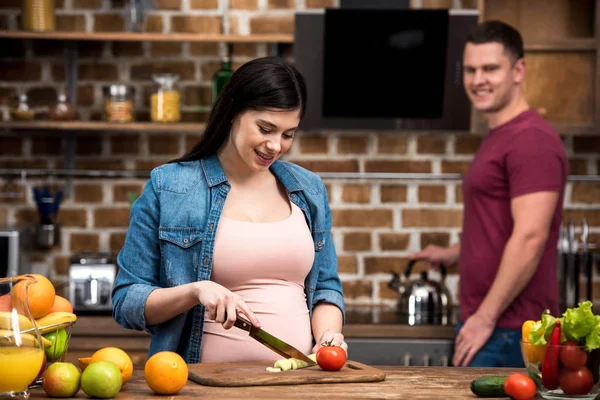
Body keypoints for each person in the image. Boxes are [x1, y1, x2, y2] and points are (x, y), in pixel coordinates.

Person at [112, 56, 347, 364]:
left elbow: (326, 289)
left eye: (288, 134)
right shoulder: (170, 187)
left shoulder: (309, 190)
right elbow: (126, 301)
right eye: (266, 128)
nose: (275, 145)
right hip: (201, 386)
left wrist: (329, 335)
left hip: (297, 383)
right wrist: (196, 291)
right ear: (234, 111)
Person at [409, 21, 568, 368]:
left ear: (518, 70)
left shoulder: (531, 140)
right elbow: (503, 226)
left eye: (490, 68)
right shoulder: (500, 135)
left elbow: (530, 237)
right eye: (470, 70)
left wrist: (484, 318)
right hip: (492, 324)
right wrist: (454, 253)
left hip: (509, 328)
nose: (478, 79)